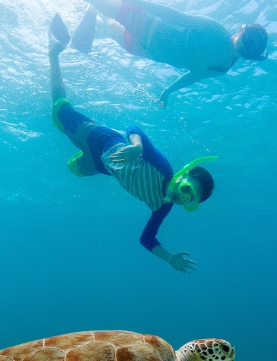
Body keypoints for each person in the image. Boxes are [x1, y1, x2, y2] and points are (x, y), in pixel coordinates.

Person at [46, 14, 216, 273]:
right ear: (182, 175)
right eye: (186, 190)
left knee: (73, 169)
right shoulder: (162, 166)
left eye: (189, 201)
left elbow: (146, 239)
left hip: (102, 166)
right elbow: (133, 129)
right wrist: (136, 146)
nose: (182, 199)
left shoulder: (163, 207)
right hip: (103, 140)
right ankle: (55, 51)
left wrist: (169, 258)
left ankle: (75, 141)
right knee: (59, 114)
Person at [12, 0, 269, 108]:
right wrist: (139, 2)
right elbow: (177, 17)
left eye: (249, 49)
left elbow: (193, 76)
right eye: (247, 40)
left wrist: (168, 91)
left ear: (251, 56)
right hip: (146, 22)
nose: (243, 46)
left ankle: (95, 11)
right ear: (240, 30)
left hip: (144, 49)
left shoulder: (223, 69)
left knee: (108, 22)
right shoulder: (215, 31)